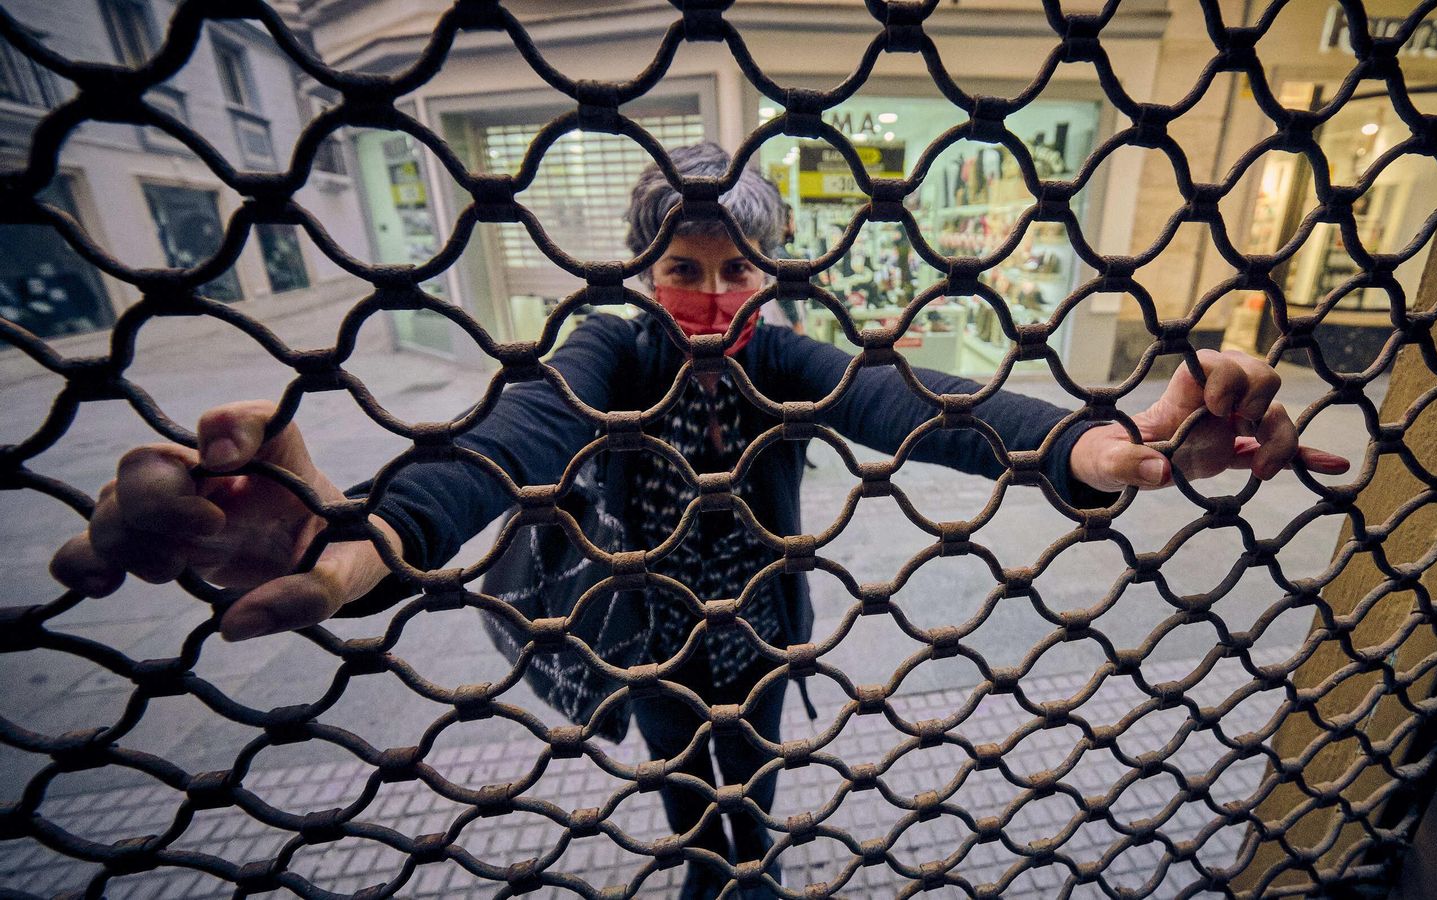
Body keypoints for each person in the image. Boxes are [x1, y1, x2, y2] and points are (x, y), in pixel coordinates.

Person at [50, 143, 1349, 899]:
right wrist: (368, 538)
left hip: (764, 629)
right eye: (685, 269)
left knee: (755, 777)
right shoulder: (610, 355)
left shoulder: (782, 357)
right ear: (644, 274)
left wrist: (1085, 443)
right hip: (653, 624)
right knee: (685, 786)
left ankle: (753, 872)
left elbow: (909, 400)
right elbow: (516, 437)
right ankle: (706, 868)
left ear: (769, 278)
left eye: (739, 270)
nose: (714, 292)